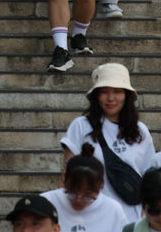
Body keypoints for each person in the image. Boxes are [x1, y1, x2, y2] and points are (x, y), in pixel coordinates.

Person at [61, 62, 154, 222]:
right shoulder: (81, 126)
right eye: (104, 92)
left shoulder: (141, 131)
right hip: (92, 217)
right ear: (96, 96)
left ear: (126, 95)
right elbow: (68, 176)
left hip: (132, 219)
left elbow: (149, 177)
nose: (111, 98)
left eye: (117, 92)